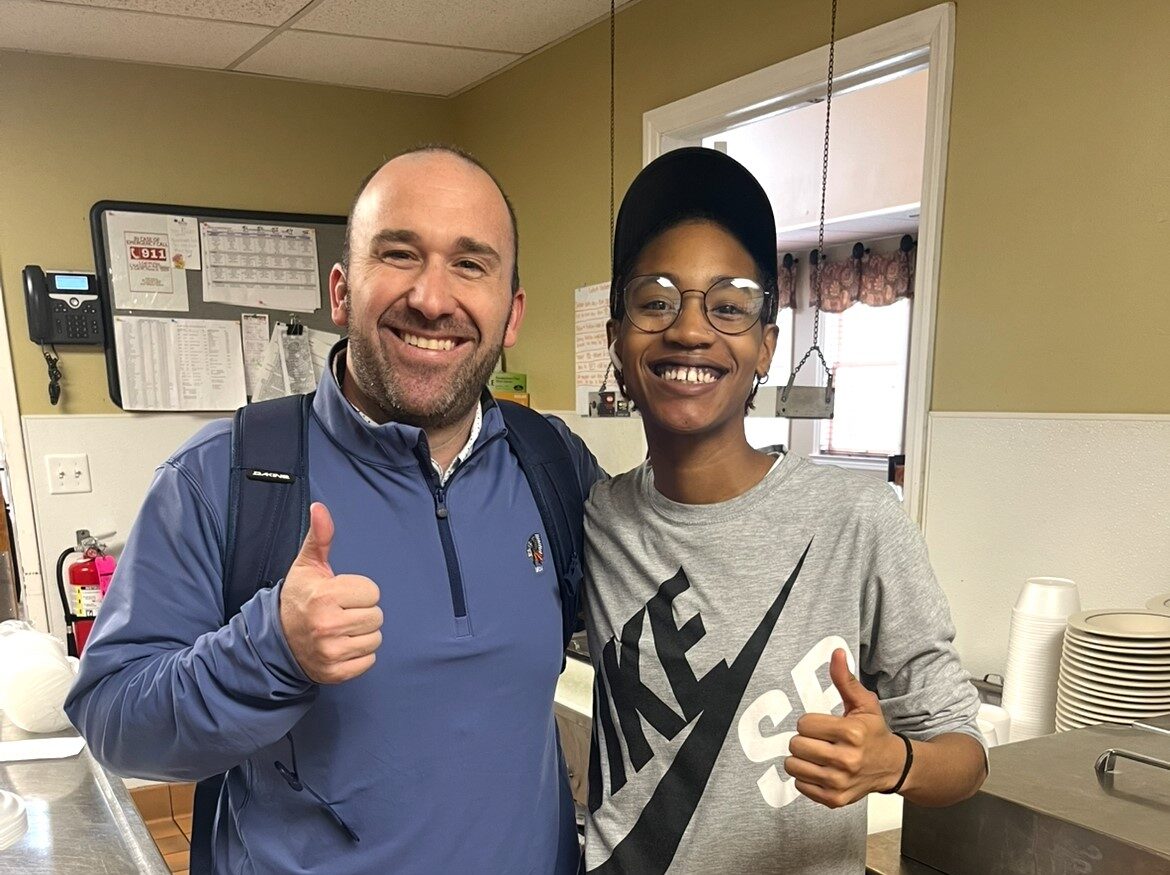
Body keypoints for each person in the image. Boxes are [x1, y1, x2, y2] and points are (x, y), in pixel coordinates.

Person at [66, 144, 601, 874]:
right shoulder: (223, 478)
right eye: (400, 254)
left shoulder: (552, 464)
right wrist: (269, 650)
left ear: (512, 313)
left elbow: (667, 598)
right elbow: (111, 718)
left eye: (470, 264)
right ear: (341, 292)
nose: (433, 298)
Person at [581, 148, 986, 874]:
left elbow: (966, 752)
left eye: (729, 304)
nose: (690, 330)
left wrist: (894, 761)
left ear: (766, 345)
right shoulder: (596, 518)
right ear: (617, 340)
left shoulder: (857, 518)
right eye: (655, 300)